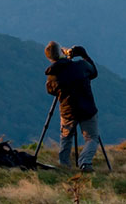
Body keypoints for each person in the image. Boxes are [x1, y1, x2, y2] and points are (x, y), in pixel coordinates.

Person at [46, 42, 102, 172]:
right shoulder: (81, 66)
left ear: (50, 58)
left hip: (68, 111)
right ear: (61, 53)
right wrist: (83, 54)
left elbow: (51, 90)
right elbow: (93, 72)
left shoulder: (53, 75)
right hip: (87, 108)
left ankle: (64, 165)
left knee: (66, 138)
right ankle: (85, 162)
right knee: (92, 138)